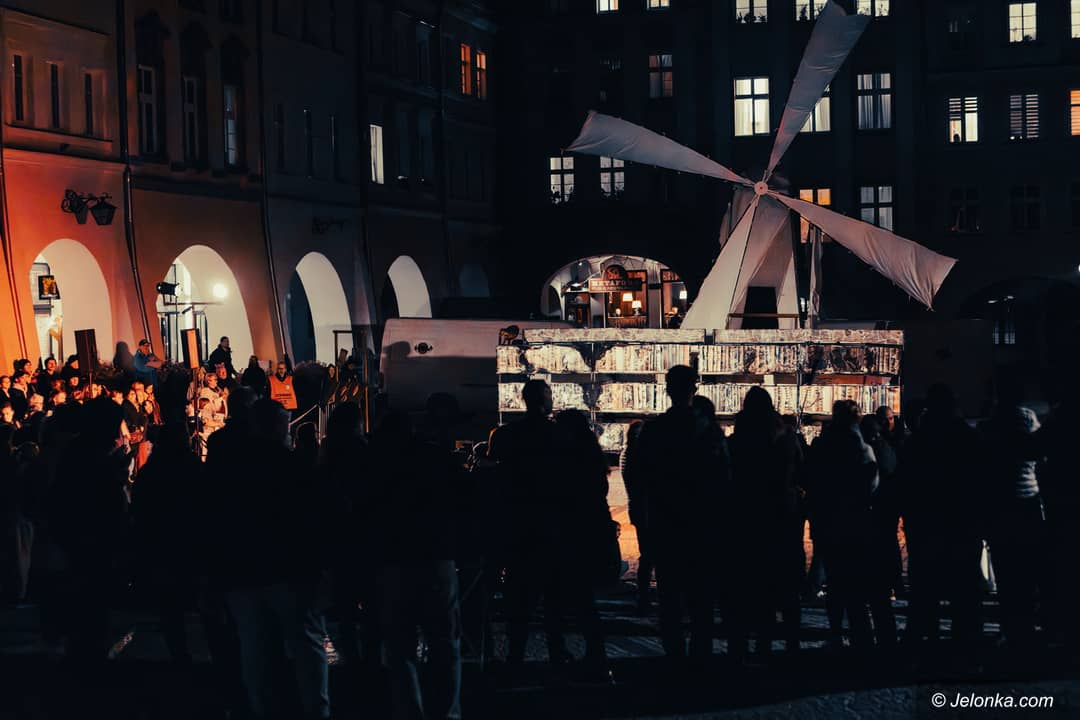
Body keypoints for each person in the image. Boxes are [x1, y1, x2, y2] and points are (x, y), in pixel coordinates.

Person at [214, 398, 330, 720]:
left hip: (243, 571)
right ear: (280, 427)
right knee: (306, 646)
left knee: (255, 648)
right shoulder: (295, 466)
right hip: (290, 570)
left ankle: (262, 708)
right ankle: (314, 710)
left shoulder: (232, 471)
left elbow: (217, 522)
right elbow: (314, 520)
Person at [628, 365, 729, 661]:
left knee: (670, 597)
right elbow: (724, 479)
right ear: (693, 389)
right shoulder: (710, 432)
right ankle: (700, 656)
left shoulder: (654, 431)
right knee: (701, 599)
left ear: (668, 390)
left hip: (666, 522)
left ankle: (674, 655)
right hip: (702, 524)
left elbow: (640, 477)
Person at [369, 410, 462, 720]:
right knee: (444, 642)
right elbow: (464, 499)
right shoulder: (436, 458)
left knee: (400, 648)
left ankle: (409, 710)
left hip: (393, 560)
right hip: (436, 556)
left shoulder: (378, 464)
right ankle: (446, 711)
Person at [486, 380, 565, 670]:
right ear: (544, 400)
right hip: (550, 525)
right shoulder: (557, 435)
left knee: (519, 598)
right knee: (553, 599)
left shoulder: (507, 435)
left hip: (517, 525)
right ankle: (556, 652)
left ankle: (515, 655)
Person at [899, 384, 985, 648]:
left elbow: (906, 483)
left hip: (926, 523)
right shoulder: (968, 437)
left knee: (925, 589)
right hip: (962, 522)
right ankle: (965, 643)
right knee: (965, 591)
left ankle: (924, 640)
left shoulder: (919, 441)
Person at [727, 386, 804, 657]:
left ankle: (750, 647)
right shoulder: (787, 439)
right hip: (782, 518)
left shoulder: (737, 442)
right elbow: (801, 473)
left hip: (747, 518)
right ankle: (791, 645)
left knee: (751, 585)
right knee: (786, 587)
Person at [978, 380, 1043, 648]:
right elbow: (1039, 452)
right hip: (1027, 500)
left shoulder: (989, 425)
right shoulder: (1027, 418)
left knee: (1005, 571)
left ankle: (1009, 626)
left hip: (999, 504)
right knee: (1027, 570)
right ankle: (1026, 626)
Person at [549, 409, 613, 679]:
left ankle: (564, 651)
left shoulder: (565, 460)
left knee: (563, 598)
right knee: (583, 599)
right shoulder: (592, 458)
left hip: (570, 535)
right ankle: (595, 653)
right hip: (589, 534)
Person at [620, 419, 652, 613]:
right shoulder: (636, 457)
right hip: (643, 509)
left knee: (647, 553)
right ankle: (643, 595)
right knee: (649, 554)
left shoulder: (627, 454)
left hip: (637, 508)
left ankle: (643, 595)